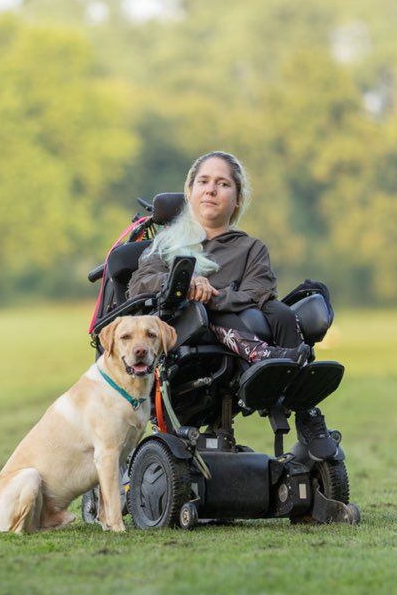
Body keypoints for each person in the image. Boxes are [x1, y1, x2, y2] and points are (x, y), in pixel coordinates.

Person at [127, 150, 337, 461]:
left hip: (241, 328)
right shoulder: (166, 245)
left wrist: (215, 294)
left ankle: (305, 408)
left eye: (223, 184)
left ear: (237, 199)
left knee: (280, 310)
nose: (211, 189)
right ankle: (269, 359)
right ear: (191, 192)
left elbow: (259, 291)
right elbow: (139, 284)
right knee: (202, 310)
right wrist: (184, 282)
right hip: (185, 335)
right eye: (203, 182)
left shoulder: (251, 248)